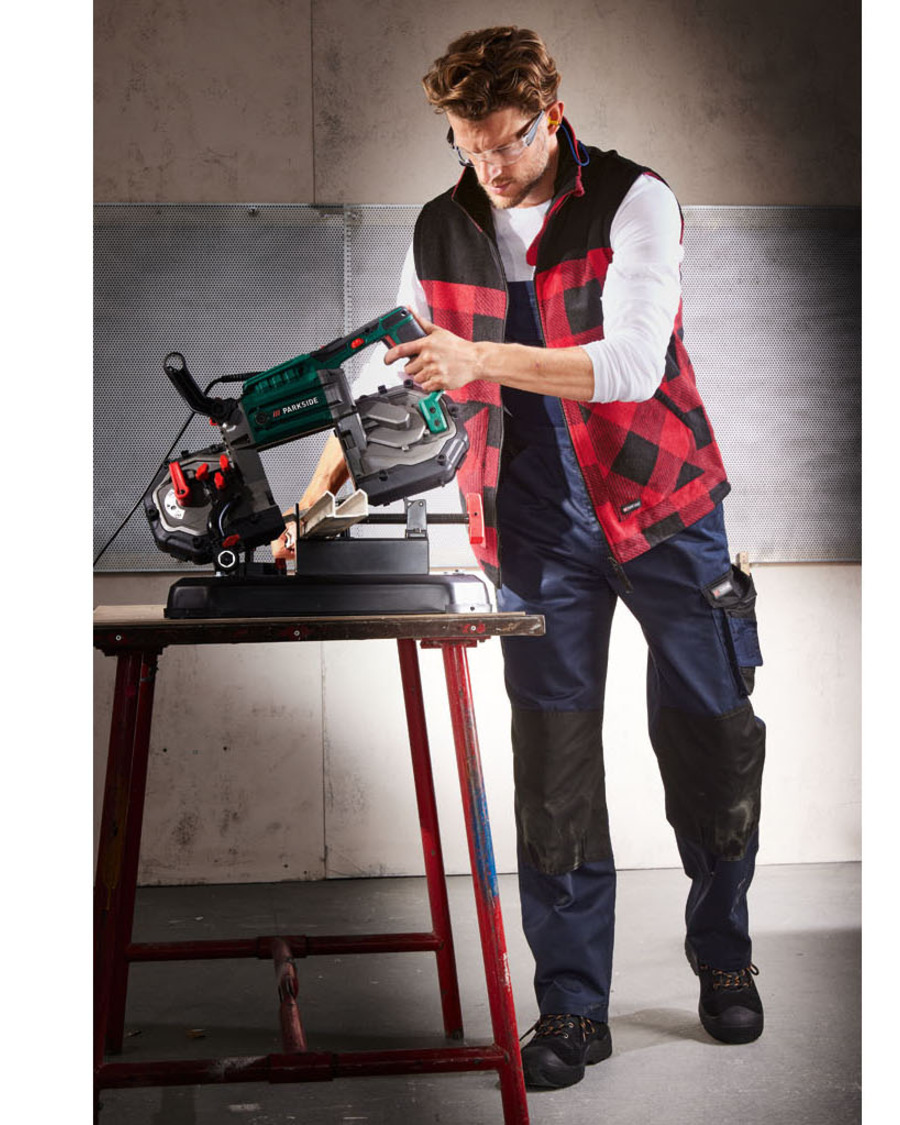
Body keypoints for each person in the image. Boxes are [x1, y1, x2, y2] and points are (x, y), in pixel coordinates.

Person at [276, 25, 767, 1092]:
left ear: (551, 114)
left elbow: (631, 364)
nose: (491, 167)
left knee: (715, 741)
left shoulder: (634, 200)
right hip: (533, 525)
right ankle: (574, 1006)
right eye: (469, 146)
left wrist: (477, 359)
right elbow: (387, 380)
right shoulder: (437, 231)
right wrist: (307, 507)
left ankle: (724, 953)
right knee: (554, 767)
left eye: (507, 141)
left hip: (664, 507)